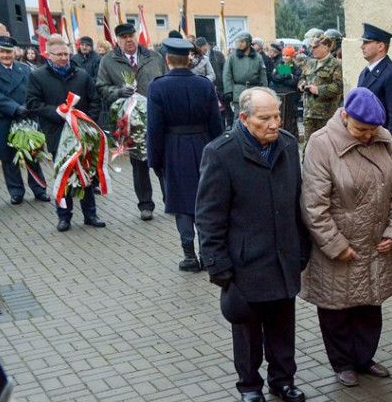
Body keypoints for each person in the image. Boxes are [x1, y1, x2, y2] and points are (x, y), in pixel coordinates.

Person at [196, 87, 309, 402]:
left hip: (284, 257)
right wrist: (219, 267)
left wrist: (302, 250)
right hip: (245, 263)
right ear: (244, 119)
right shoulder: (221, 153)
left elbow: (297, 202)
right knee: (247, 330)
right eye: (265, 118)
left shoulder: (287, 144)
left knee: (283, 326)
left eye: (277, 115)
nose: (275, 123)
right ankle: (249, 385)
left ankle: (283, 380)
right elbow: (209, 217)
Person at [300, 87, 392, 387]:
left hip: (375, 244)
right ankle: (343, 362)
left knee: (370, 306)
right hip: (339, 246)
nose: (367, 136)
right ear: (345, 116)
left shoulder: (383, 141)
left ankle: (364, 358)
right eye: (361, 129)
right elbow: (313, 205)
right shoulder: (321, 144)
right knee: (337, 308)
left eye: (373, 130)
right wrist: (336, 245)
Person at [147, 38, 223, 272]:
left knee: (181, 202)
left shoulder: (158, 86)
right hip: (203, 145)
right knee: (205, 199)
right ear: (189, 59)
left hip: (173, 148)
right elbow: (216, 123)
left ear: (168, 59)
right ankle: (207, 254)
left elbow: (154, 127)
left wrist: (155, 159)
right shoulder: (204, 85)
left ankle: (190, 256)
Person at [27, 34, 103, 232]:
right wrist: (56, 112)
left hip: (82, 133)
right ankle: (64, 217)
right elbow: (33, 103)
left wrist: (87, 120)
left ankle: (91, 214)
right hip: (57, 132)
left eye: (66, 54)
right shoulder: (38, 76)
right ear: (48, 55)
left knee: (86, 173)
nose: (64, 58)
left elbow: (95, 100)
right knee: (64, 175)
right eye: (59, 55)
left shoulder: (81, 74)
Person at [96, 22, 166, 221]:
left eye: (131, 36)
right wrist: (118, 92)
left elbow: (165, 81)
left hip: (156, 116)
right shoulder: (109, 61)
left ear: (137, 36)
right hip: (131, 123)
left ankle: (170, 200)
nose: (128, 40)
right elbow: (101, 87)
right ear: (117, 40)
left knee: (163, 162)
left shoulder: (154, 57)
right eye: (124, 37)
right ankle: (145, 205)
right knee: (139, 165)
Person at [0, 35, 49, 204]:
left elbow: (32, 90)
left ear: (14, 53)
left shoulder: (24, 69)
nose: (6, 55)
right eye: (2, 52)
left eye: (9, 52)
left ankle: (39, 188)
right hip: (4, 118)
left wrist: (26, 106)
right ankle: (16, 191)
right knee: (9, 158)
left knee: (32, 153)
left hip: (26, 116)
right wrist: (14, 108)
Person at [357, 24, 392, 178]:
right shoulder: (365, 73)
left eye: (367, 43)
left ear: (381, 46)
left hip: (381, 148)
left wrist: (388, 149)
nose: (362, 46)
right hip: (367, 145)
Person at [298, 34, 343, 146]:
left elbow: (338, 87)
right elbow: (302, 78)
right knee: (308, 147)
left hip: (326, 115)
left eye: (315, 47)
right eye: (311, 47)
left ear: (325, 47)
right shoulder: (310, 63)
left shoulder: (336, 64)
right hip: (309, 113)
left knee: (327, 146)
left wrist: (318, 90)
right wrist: (302, 84)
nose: (311, 50)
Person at [222, 31, 267, 121]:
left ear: (249, 42)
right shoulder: (233, 57)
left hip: (254, 90)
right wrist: (228, 90)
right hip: (239, 90)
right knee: (239, 117)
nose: (240, 44)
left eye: (242, 42)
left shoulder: (258, 57)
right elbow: (227, 74)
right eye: (239, 42)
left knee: (254, 115)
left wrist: (265, 91)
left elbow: (263, 75)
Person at [272, 46, 301, 137]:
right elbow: (274, 79)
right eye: (284, 55)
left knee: (291, 118)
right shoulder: (279, 65)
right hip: (280, 94)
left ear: (292, 56)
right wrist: (286, 76)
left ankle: (292, 136)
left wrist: (283, 78)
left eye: (287, 55)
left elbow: (294, 82)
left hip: (291, 96)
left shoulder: (296, 68)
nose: (285, 57)